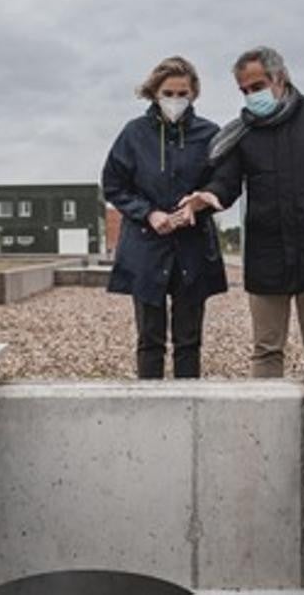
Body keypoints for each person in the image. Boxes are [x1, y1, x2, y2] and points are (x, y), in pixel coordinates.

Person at [179, 46, 304, 377]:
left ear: (279, 78)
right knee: (265, 350)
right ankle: (263, 423)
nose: (252, 96)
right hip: (266, 253)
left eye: (257, 86)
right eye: (245, 91)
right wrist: (207, 197)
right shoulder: (243, 131)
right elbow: (227, 180)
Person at [102, 56, 228, 379]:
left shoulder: (210, 134)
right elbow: (114, 185)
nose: (175, 100)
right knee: (149, 339)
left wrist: (199, 203)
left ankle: (188, 407)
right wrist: (148, 213)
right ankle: (150, 408)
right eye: (168, 93)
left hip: (193, 246)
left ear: (194, 93)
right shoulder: (133, 134)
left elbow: (225, 181)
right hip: (146, 248)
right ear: (154, 94)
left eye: (182, 93)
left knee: (189, 340)